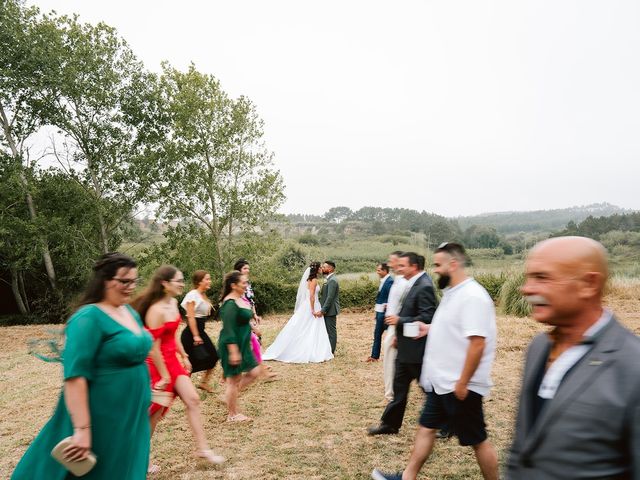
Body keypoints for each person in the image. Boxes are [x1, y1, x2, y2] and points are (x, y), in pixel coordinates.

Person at [505, 236, 640, 479]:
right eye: (529, 277)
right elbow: (522, 447)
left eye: (542, 277)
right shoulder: (538, 347)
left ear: (589, 284)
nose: (526, 288)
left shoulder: (632, 366)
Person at [12, 253, 153, 480]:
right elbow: (75, 376)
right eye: (124, 281)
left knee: (124, 467)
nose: (130, 287)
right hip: (101, 414)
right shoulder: (87, 318)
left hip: (131, 414)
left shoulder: (129, 313)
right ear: (105, 281)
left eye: (134, 281)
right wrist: (82, 430)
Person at [372, 242, 498, 480]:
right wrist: (427, 327)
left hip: (459, 385)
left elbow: (477, 342)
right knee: (426, 428)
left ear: (454, 263)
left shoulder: (472, 296)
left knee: (478, 441)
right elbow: (452, 328)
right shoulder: (452, 293)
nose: (436, 270)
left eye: (439, 265)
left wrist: (463, 383)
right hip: (442, 382)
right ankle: (407, 477)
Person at [131, 266, 224, 472]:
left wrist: (184, 355)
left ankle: (202, 449)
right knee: (154, 416)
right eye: (178, 280)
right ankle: (142, 460)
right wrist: (164, 375)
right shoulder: (155, 310)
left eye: (183, 280)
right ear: (164, 283)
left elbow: (172, 334)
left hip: (172, 362)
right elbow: (153, 347)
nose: (182, 283)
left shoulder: (173, 303)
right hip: (156, 364)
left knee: (193, 399)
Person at [368, 252, 437, 436]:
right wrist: (400, 334)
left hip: (417, 349)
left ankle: (447, 423)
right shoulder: (412, 283)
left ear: (414, 266)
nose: (398, 268)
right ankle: (390, 424)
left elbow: (427, 318)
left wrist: (399, 321)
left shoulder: (424, 286)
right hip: (406, 346)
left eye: (402, 266)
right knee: (399, 388)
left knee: (429, 389)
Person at [263, 262, 334, 363]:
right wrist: (313, 309)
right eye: (320, 267)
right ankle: (313, 350)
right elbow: (312, 296)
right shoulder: (314, 280)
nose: (321, 269)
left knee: (304, 326)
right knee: (311, 327)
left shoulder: (308, 280)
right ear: (316, 269)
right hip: (312, 305)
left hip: (307, 305)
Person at [218, 271, 261, 421]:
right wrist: (233, 351)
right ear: (233, 285)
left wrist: (253, 329)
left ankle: (230, 395)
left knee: (254, 371)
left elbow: (243, 320)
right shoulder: (229, 303)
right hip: (232, 344)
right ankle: (233, 414)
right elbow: (229, 329)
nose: (246, 285)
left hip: (243, 343)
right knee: (233, 380)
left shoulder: (239, 299)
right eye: (243, 283)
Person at [234, 259, 277, 380]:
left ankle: (259, 365)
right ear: (239, 270)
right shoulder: (237, 284)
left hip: (248, 314)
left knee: (255, 340)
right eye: (245, 268)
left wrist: (255, 314)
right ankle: (258, 367)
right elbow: (240, 302)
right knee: (250, 341)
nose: (248, 270)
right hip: (242, 316)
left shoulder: (247, 283)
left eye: (248, 268)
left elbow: (251, 301)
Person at [180, 270, 218, 393]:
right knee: (190, 363)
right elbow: (190, 317)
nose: (209, 281)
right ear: (199, 281)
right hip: (191, 333)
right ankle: (180, 387)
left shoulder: (203, 295)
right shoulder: (192, 295)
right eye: (207, 279)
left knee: (214, 356)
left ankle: (203, 383)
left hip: (200, 331)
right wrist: (196, 336)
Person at [382, 251, 406, 401]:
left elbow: (404, 306)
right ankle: (390, 392)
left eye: (392, 261)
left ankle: (390, 394)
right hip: (392, 325)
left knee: (390, 361)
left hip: (397, 326)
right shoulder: (397, 279)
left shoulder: (403, 282)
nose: (389, 264)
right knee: (390, 360)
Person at [367, 262, 393, 362]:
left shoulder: (390, 281)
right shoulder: (383, 281)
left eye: (379, 270)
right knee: (377, 335)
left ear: (385, 271)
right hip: (379, 312)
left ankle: (391, 357)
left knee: (390, 335)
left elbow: (391, 297)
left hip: (386, 314)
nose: (377, 272)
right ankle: (374, 356)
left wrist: (387, 305)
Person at [314, 261, 340, 354]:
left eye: (324, 267)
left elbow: (330, 298)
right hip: (327, 310)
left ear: (330, 269)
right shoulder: (328, 279)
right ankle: (326, 349)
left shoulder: (332, 280)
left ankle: (331, 351)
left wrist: (322, 311)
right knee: (326, 331)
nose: (322, 269)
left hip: (330, 310)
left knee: (331, 332)